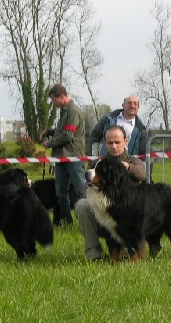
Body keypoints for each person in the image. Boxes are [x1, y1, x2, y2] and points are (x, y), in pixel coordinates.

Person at [75, 125, 146, 260]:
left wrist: (128, 168)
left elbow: (142, 174)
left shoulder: (133, 161)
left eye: (117, 142)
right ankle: (93, 253)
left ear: (126, 141)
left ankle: (129, 249)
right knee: (82, 205)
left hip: (127, 221)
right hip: (103, 217)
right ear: (105, 143)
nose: (114, 146)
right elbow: (87, 188)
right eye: (110, 142)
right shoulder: (97, 163)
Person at [41, 84, 86, 225]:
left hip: (73, 157)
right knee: (60, 192)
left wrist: (49, 143)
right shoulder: (64, 111)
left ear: (62, 96)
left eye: (54, 100)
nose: (53, 103)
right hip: (61, 157)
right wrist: (49, 132)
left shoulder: (73, 111)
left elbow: (67, 135)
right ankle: (66, 222)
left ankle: (89, 221)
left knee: (80, 191)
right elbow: (62, 131)